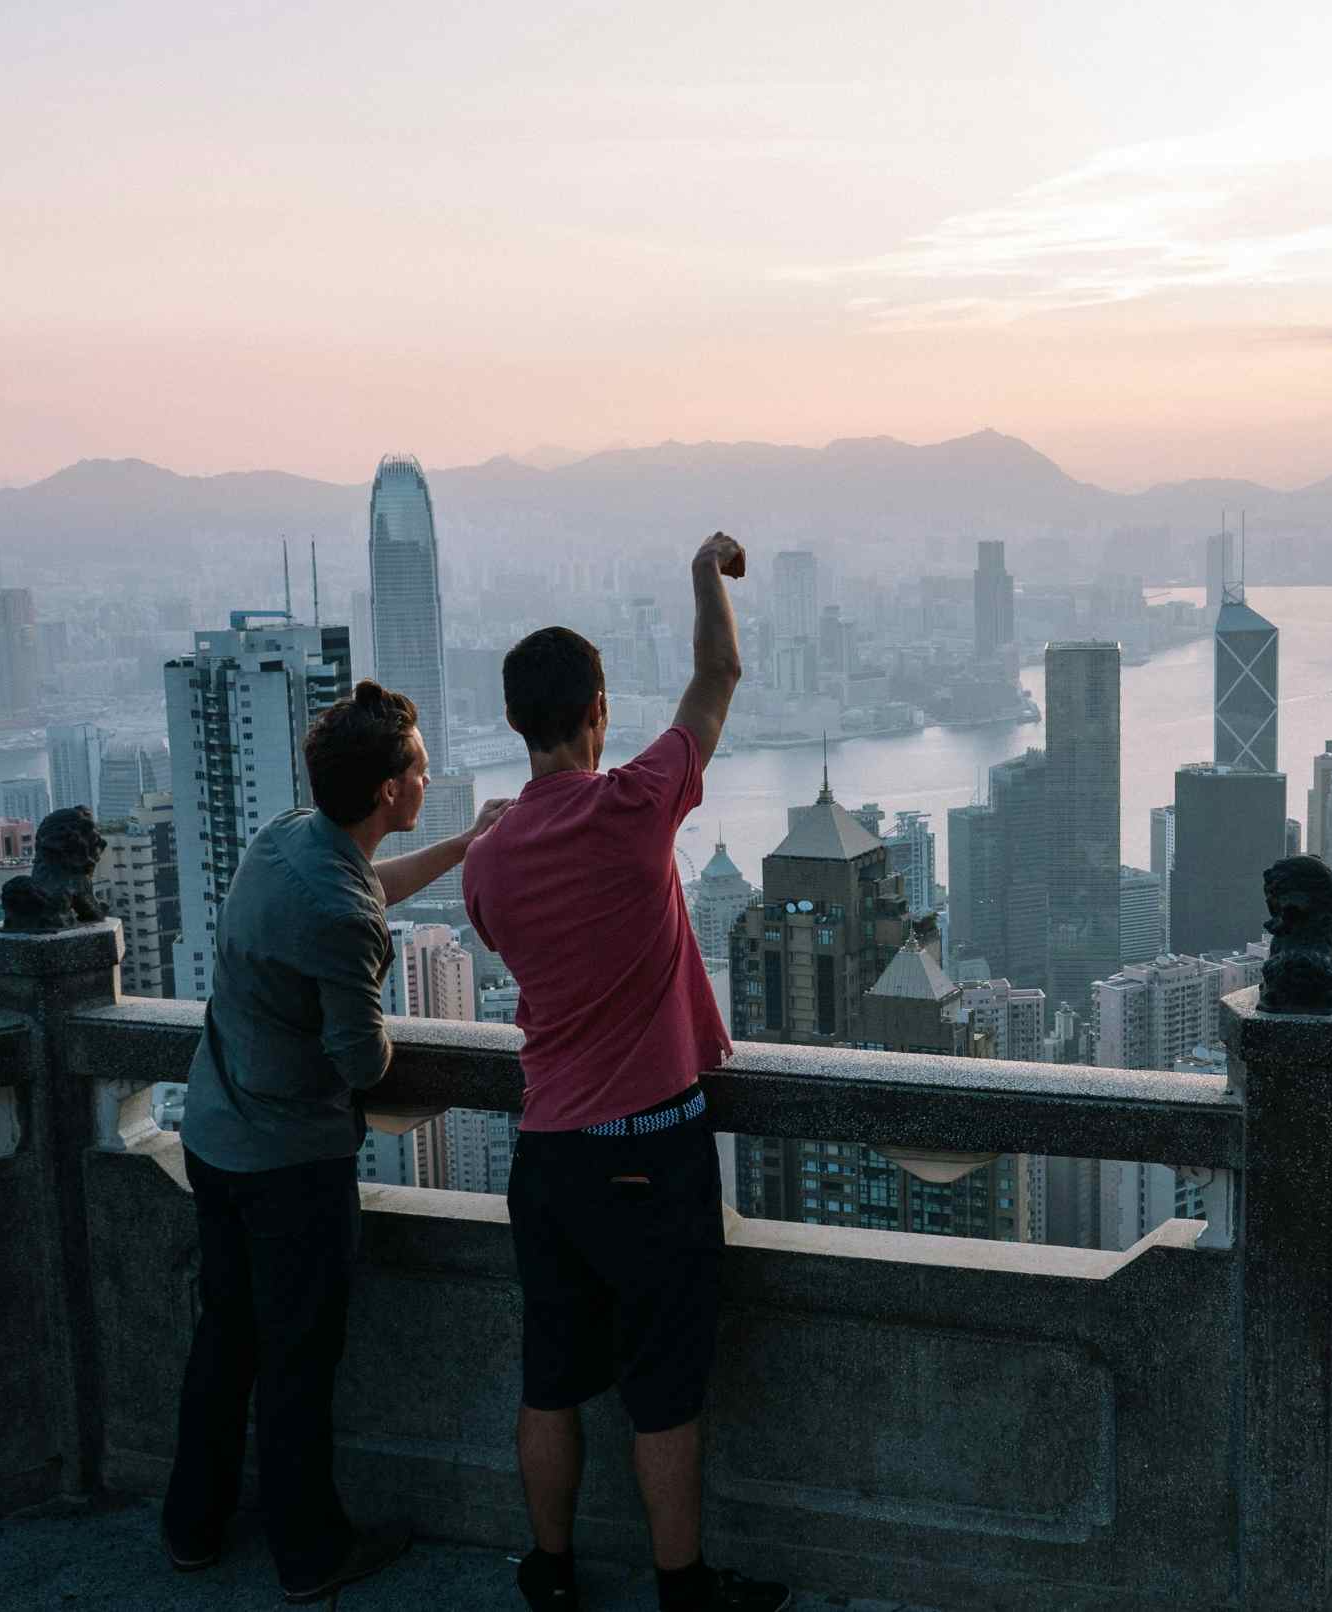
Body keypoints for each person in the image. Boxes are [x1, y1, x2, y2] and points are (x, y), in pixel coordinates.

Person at [466, 533, 788, 1612]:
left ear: (517, 721)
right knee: (662, 1388)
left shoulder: (488, 859)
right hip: (652, 1146)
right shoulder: (636, 805)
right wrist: (704, 575)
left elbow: (509, 945)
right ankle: (682, 1591)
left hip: (548, 1156)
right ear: (596, 711)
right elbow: (718, 674)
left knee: (550, 1379)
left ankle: (550, 1575)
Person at [163, 680, 509, 1604]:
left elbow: (361, 886)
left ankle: (192, 1524)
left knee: (225, 1337)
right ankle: (310, 1552)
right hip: (288, 1166)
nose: (429, 778)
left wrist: (464, 846)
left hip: (215, 1132)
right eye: (421, 769)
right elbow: (363, 1060)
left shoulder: (285, 839)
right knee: (297, 1361)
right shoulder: (341, 918)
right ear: (390, 791)